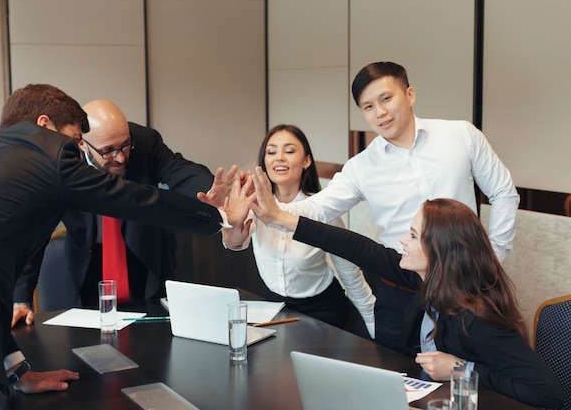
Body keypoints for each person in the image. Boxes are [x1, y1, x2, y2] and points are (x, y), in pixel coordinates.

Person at [0, 84, 236, 405]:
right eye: (72, 140)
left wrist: (18, 372)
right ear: (44, 125)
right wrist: (219, 216)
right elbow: (136, 200)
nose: (75, 151)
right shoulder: (49, 157)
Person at [246, 169, 564, 408]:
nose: (402, 241)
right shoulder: (428, 281)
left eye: (412, 235)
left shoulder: (475, 317)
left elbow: (548, 392)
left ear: (440, 250)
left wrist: (461, 369)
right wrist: (281, 220)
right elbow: (356, 247)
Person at [268, 61, 520, 350]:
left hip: (467, 286)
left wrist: (494, 256)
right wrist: (267, 210)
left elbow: (504, 192)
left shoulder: (461, 135)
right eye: (368, 107)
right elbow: (317, 208)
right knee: (399, 380)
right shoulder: (361, 166)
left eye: (386, 98)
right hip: (400, 290)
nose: (380, 112)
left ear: (410, 94)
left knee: (472, 378)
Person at [11, 99, 233, 326]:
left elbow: (180, 169)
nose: (120, 157)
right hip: (89, 263)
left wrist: (209, 191)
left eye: (125, 145)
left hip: (145, 261)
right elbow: (35, 228)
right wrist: (20, 297)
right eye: (108, 151)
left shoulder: (145, 141)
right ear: (82, 144)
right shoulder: (61, 160)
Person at [222, 125, 375, 334]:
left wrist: (375, 328)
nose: (279, 158)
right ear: (264, 162)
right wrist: (229, 232)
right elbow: (236, 242)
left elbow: (350, 275)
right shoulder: (253, 206)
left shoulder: (322, 212)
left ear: (306, 161)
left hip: (324, 312)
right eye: (271, 151)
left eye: (290, 151)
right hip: (275, 310)